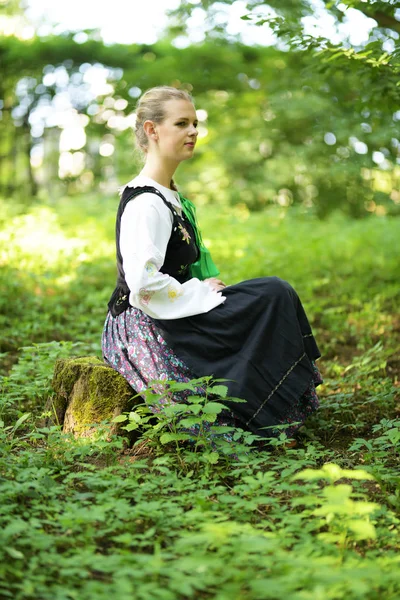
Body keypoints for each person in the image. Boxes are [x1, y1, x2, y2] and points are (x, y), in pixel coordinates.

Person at [102, 85, 322, 441]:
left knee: (270, 294)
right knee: (272, 294)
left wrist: (201, 288)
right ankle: (263, 411)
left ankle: (273, 406)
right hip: (145, 322)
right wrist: (199, 291)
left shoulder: (169, 195)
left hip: (170, 307)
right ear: (152, 130)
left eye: (195, 123)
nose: (193, 131)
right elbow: (143, 284)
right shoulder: (146, 203)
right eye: (181, 123)